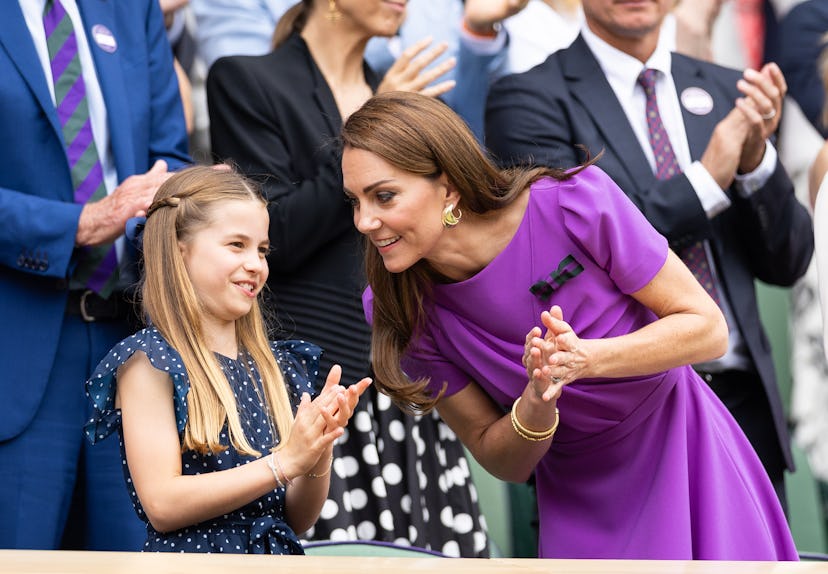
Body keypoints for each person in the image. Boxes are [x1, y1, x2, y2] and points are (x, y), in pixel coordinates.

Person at [341, 90, 798, 560]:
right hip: (575, 495)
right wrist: (535, 405)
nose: (363, 220)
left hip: (683, 450)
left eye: (384, 196)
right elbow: (501, 459)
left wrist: (586, 359)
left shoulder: (574, 203)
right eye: (354, 201)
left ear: (450, 187)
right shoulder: (398, 306)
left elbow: (706, 328)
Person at [485, 0, 814, 508]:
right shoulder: (527, 98)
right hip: (617, 406)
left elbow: (787, 262)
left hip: (740, 402)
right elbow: (572, 255)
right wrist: (707, 178)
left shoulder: (729, 88)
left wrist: (752, 165)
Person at [206, 0, 488, 557]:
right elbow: (274, 234)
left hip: (406, 370)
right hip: (311, 385)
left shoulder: (398, 87)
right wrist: (370, 119)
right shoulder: (246, 79)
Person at [84, 166, 371, 553]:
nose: (256, 263)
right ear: (179, 249)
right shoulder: (151, 361)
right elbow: (162, 504)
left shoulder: (278, 367)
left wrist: (318, 448)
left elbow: (298, 519)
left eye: (262, 249)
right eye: (236, 244)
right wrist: (283, 463)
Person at [0, 0, 191, 550]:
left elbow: (166, 161)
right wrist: (79, 224)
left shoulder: (131, 9)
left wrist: (170, 205)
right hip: (21, 341)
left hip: (132, 343)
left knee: (134, 558)